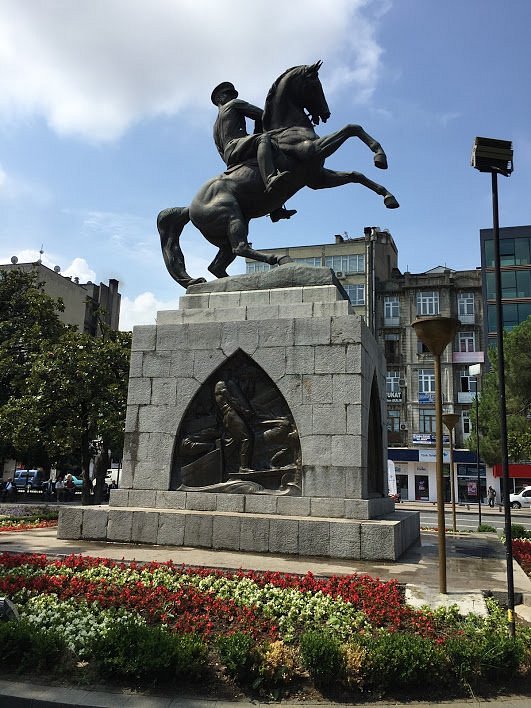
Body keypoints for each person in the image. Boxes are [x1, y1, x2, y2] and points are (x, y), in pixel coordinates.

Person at [211, 81, 296, 223]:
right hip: (237, 145)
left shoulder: (214, 126)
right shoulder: (234, 104)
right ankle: (270, 178)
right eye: (228, 94)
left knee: (262, 159)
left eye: (232, 95)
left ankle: (275, 209)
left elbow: (220, 149)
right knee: (263, 139)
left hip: (230, 156)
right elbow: (262, 114)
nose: (232, 97)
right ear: (219, 98)